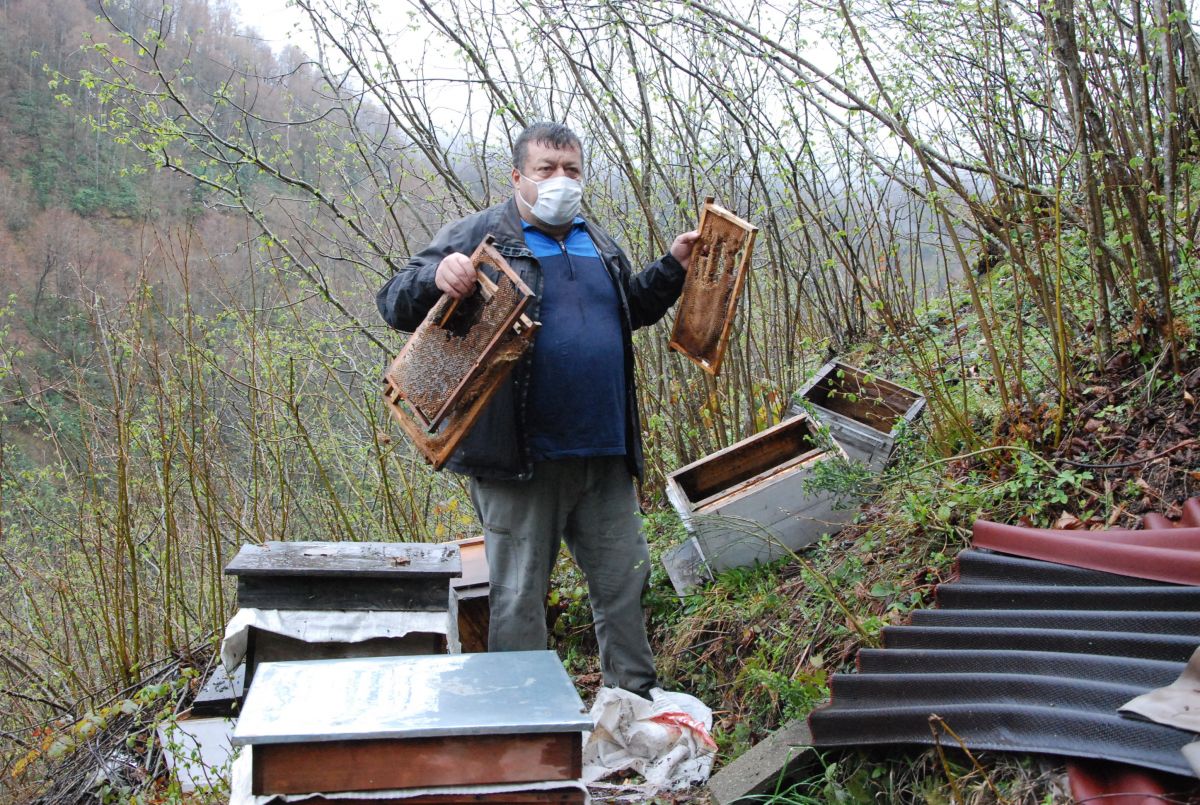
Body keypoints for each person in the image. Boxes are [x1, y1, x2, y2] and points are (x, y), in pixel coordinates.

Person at [377, 122, 698, 697]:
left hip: (603, 454)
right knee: (520, 596)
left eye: (571, 170)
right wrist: (437, 276)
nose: (561, 181)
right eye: (547, 169)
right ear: (518, 175)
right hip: (519, 459)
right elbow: (395, 300)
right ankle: (524, 720)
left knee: (625, 582)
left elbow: (631, 311)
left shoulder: (598, 241)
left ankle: (633, 705)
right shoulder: (482, 235)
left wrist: (671, 266)